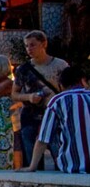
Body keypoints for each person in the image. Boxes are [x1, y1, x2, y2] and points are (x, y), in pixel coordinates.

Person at [12, 30, 68, 169]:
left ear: (44, 44)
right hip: (30, 115)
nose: (29, 49)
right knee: (31, 154)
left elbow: (68, 89)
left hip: (54, 113)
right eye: (26, 46)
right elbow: (14, 94)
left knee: (58, 151)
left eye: (32, 45)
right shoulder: (23, 69)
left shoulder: (60, 66)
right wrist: (29, 97)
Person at [18, 67, 89, 174]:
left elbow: (43, 138)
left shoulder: (58, 101)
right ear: (82, 81)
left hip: (72, 166)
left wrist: (32, 166)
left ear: (61, 85)